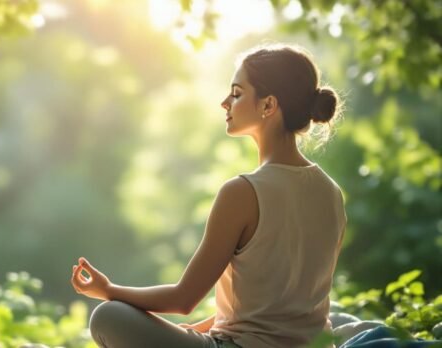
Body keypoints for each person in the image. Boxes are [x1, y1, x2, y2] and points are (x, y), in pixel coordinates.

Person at [70, 43, 347, 348]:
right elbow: (277, 307)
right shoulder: (331, 192)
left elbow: (183, 298)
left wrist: (109, 289)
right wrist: (198, 328)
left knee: (108, 317)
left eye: (237, 93)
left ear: (268, 105)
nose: (224, 103)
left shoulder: (243, 192)